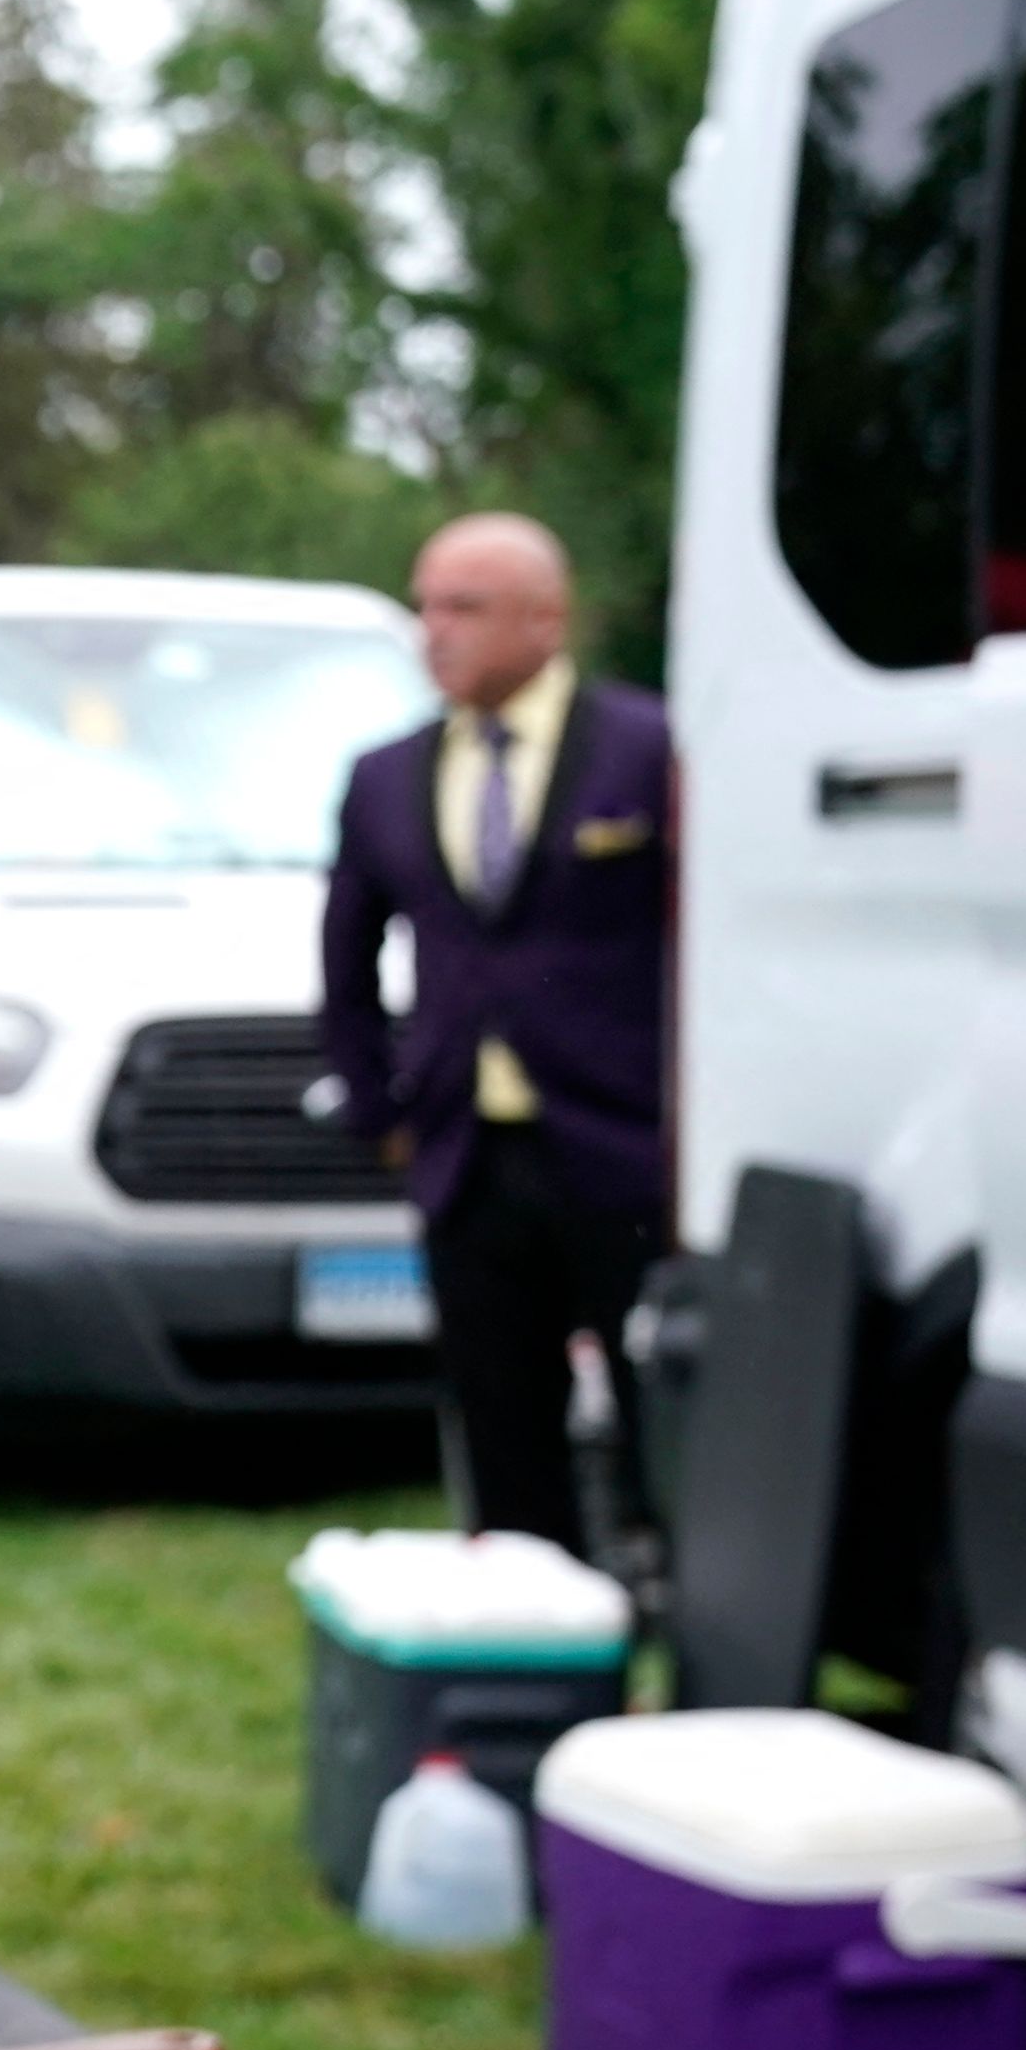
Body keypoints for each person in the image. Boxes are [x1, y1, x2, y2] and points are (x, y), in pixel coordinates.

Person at [319, 512, 675, 1554]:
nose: (435, 630)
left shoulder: (648, 749)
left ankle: (672, 1628)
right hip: (468, 1154)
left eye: (463, 607)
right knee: (502, 1422)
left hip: (618, 1147)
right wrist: (377, 1108)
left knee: (661, 1408)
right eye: (425, 604)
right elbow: (345, 954)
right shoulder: (388, 775)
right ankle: (529, 1626)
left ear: (545, 618)